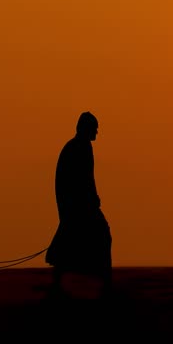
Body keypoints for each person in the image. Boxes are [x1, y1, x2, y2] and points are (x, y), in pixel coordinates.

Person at [45, 111, 112, 298]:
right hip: (78, 207)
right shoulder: (78, 148)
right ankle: (104, 284)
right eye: (95, 128)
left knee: (73, 245)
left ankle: (63, 285)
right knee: (103, 236)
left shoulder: (77, 147)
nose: (97, 133)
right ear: (86, 128)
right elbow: (82, 180)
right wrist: (90, 200)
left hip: (77, 206)